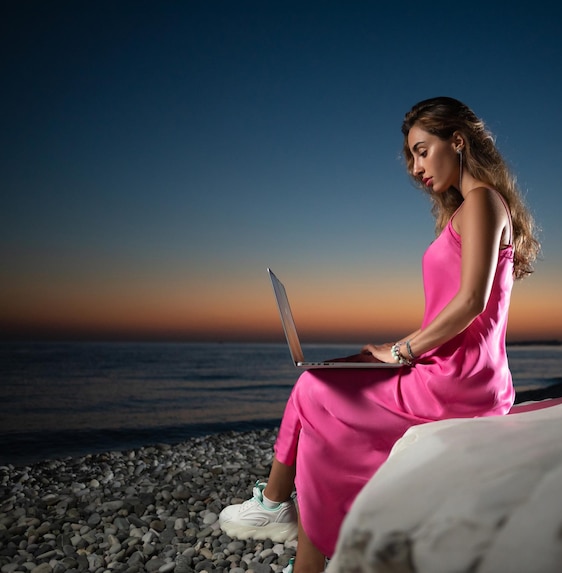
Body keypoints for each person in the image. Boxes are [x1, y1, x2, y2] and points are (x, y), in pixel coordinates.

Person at [218, 96, 541, 573]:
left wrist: (402, 349)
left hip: (461, 383)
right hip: (447, 369)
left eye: (422, 150)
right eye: (410, 156)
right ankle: (295, 541)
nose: (415, 167)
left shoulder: (482, 203)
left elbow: (472, 302)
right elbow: (456, 307)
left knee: (313, 389)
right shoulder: (467, 210)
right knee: (325, 379)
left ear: (457, 141)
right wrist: (396, 352)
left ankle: (277, 510)